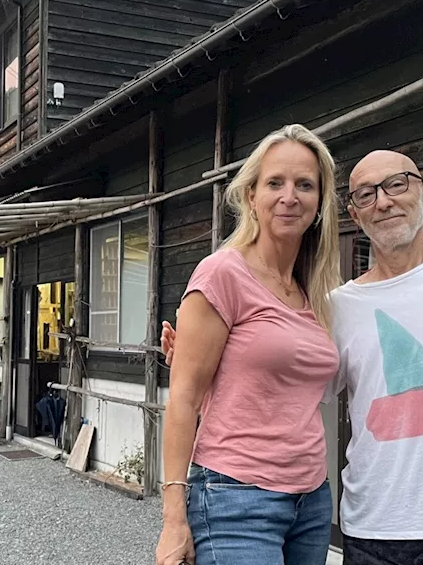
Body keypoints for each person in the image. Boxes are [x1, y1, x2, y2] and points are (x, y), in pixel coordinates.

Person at [165, 150, 423, 565]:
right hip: (364, 522)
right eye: (367, 194)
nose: (385, 201)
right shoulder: (335, 305)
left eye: (397, 184)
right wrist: (196, 367)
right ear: (354, 214)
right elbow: (230, 389)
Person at [155, 124, 344, 565]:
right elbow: (183, 399)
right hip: (235, 496)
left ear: (319, 203)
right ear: (251, 196)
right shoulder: (222, 274)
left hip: (312, 499)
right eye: (274, 182)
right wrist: (173, 520)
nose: (289, 196)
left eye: (305, 185)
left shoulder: (314, 291)